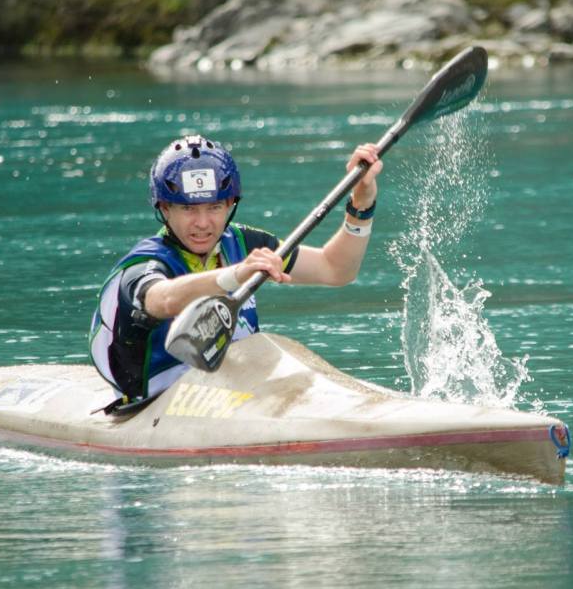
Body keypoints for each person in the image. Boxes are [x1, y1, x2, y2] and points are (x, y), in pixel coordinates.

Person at [89, 133, 381, 409]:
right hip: (155, 405)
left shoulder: (244, 244)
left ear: (230, 204)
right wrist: (235, 275)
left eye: (215, 207)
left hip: (237, 388)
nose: (203, 223)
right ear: (164, 209)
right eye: (188, 209)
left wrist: (362, 203)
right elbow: (160, 300)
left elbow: (336, 269)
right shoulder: (146, 264)